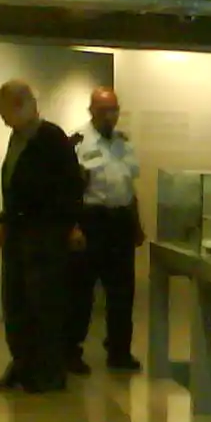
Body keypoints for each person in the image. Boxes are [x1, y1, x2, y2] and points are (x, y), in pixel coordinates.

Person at [0, 81, 83, 394]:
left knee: (44, 306)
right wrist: (4, 222)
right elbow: (14, 187)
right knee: (16, 304)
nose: (0, 115)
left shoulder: (52, 138)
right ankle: (22, 367)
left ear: (20, 105)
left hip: (45, 236)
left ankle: (49, 373)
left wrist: (70, 226)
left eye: (2, 109)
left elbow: (70, 187)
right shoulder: (16, 139)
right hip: (18, 234)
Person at [67, 87, 144, 374]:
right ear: (91, 111)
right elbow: (70, 190)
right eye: (104, 110)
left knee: (122, 291)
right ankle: (71, 351)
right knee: (81, 292)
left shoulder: (124, 143)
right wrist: (73, 226)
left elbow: (129, 187)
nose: (110, 116)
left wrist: (137, 224)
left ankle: (119, 350)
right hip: (91, 221)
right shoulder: (78, 141)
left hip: (120, 222)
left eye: (114, 110)